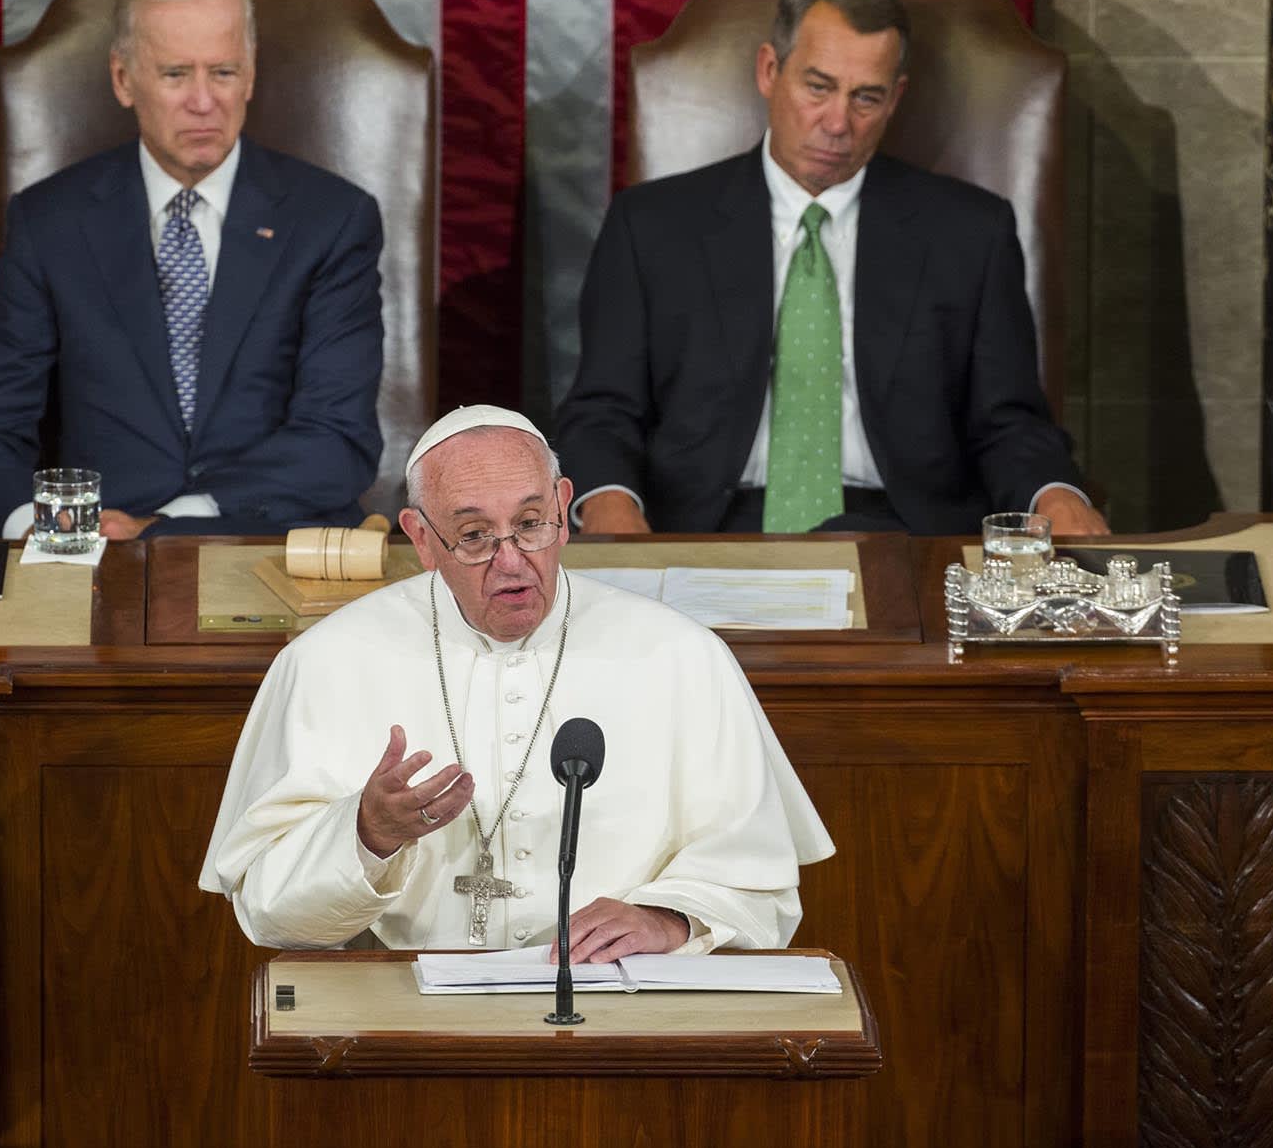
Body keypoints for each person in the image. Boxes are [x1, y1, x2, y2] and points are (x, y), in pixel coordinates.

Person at [200, 405, 834, 958]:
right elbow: (268, 914)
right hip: (407, 1018)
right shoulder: (328, 661)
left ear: (563, 506)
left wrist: (666, 919)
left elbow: (763, 889)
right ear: (421, 538)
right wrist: (367, 835)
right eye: (474, 536)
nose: (511, 562)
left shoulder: (681, 656)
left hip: (618, 1011)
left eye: (531, 525)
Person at [556, 0, 1109, 538]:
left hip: (908, 532)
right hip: (705, 529)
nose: (838, 122)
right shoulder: (652, 226)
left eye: (866, 97)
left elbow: (1009, 422)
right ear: (770, 70)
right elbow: (601, 412)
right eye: (817, 87)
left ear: (895, 99)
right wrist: (610, 506)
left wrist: (1056, 495)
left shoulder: (970, 233)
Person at [0, 0, 384, 540]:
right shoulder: (51, 222)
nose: (204, 102)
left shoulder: (332, 220)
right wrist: (47, 526)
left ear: (250, 77)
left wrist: (168, 522)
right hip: (97, 554)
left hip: (269, 543)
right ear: (123, 80)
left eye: (223, 72)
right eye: (176, 74)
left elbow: (338, 439)